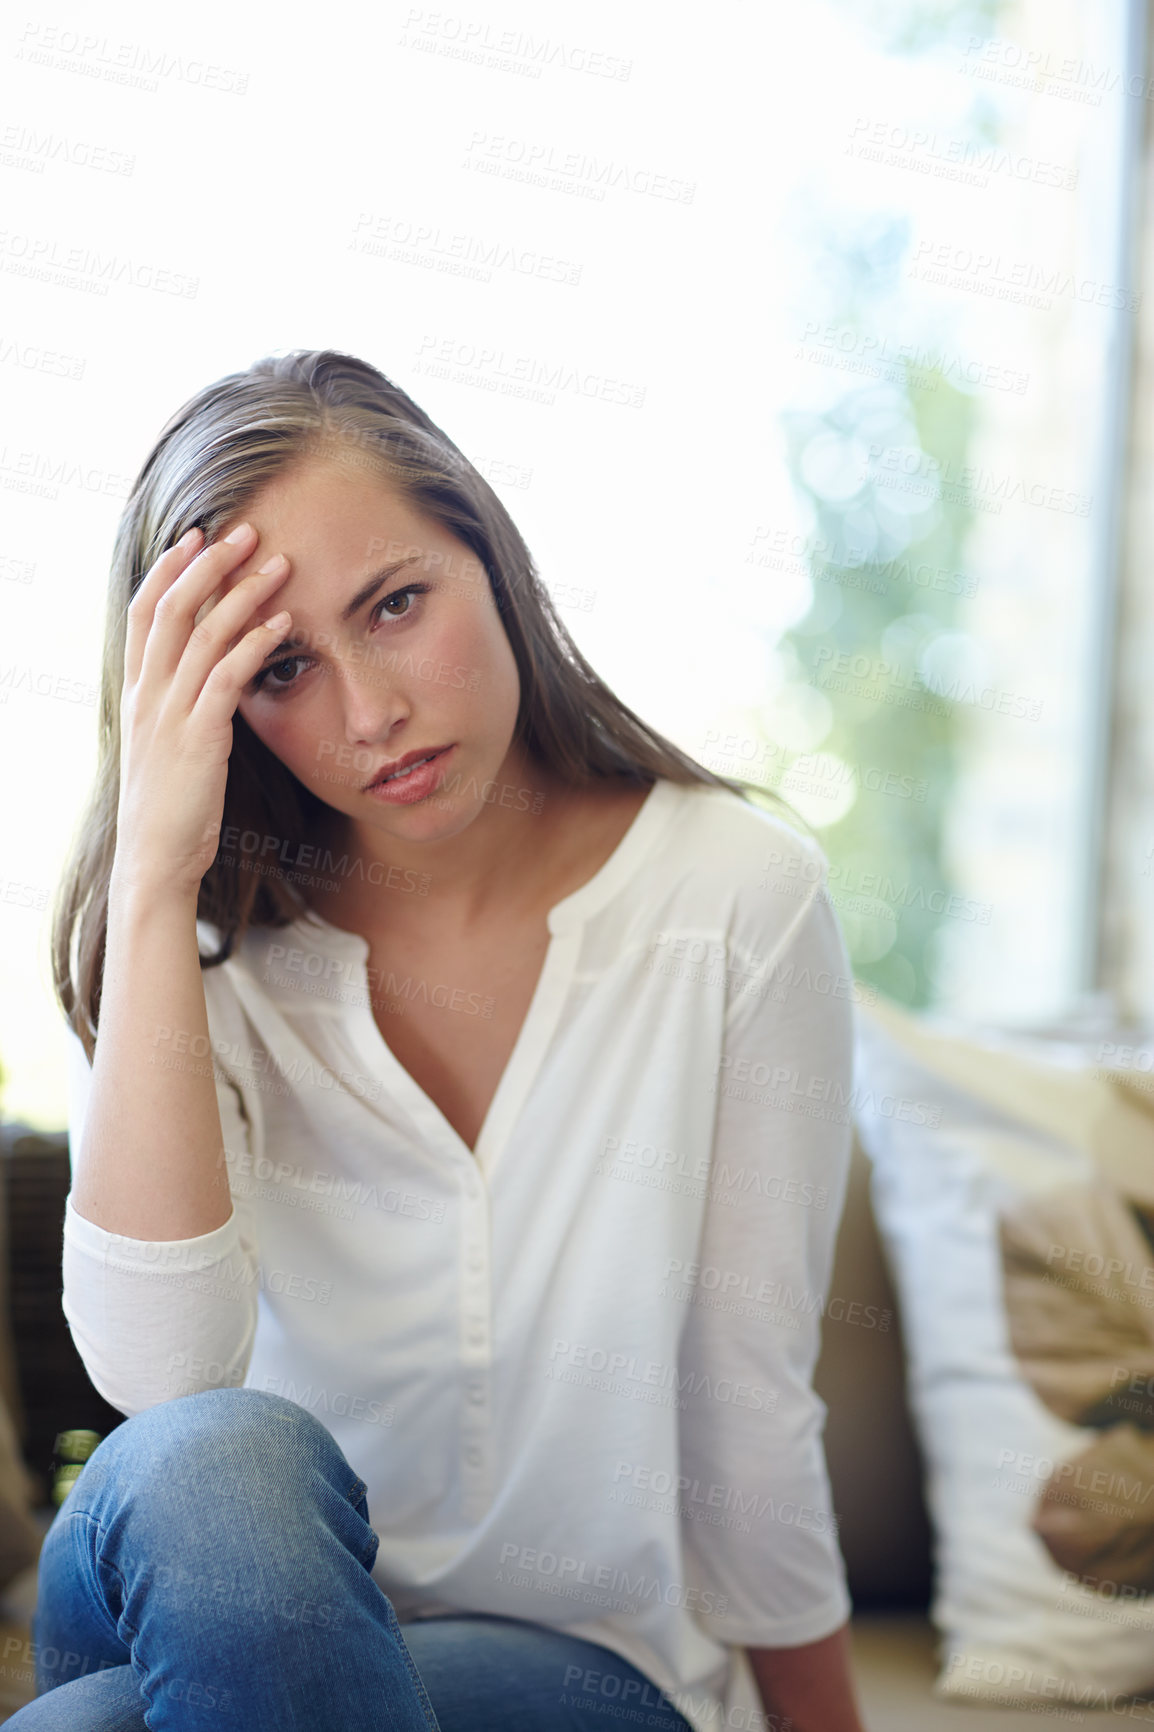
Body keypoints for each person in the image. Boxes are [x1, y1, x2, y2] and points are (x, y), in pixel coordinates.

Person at [20, 349, 867, 1731]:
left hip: (574, 1668)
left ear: (489, 554)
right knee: (220, 1457)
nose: (371, 714)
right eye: (282, 667)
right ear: (211, 707)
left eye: (396, 605)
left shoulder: (735, 902)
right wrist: (155, 884)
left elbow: (745, 1404)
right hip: (201, 1588)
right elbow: (160, 1382)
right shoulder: (187, 944)